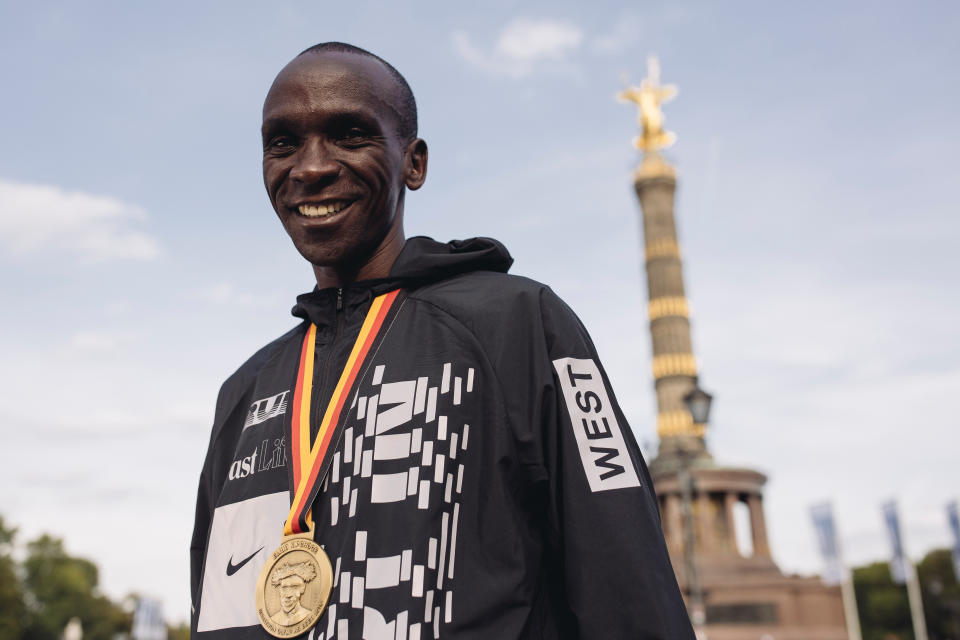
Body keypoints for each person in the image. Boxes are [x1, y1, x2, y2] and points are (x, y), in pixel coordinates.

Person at [190, 42, 694, 640]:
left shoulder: (521, 322)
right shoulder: (246, 391)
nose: (310, 167)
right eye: (283, 143)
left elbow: (627, 589)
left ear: (415, 163)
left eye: (350, 135)